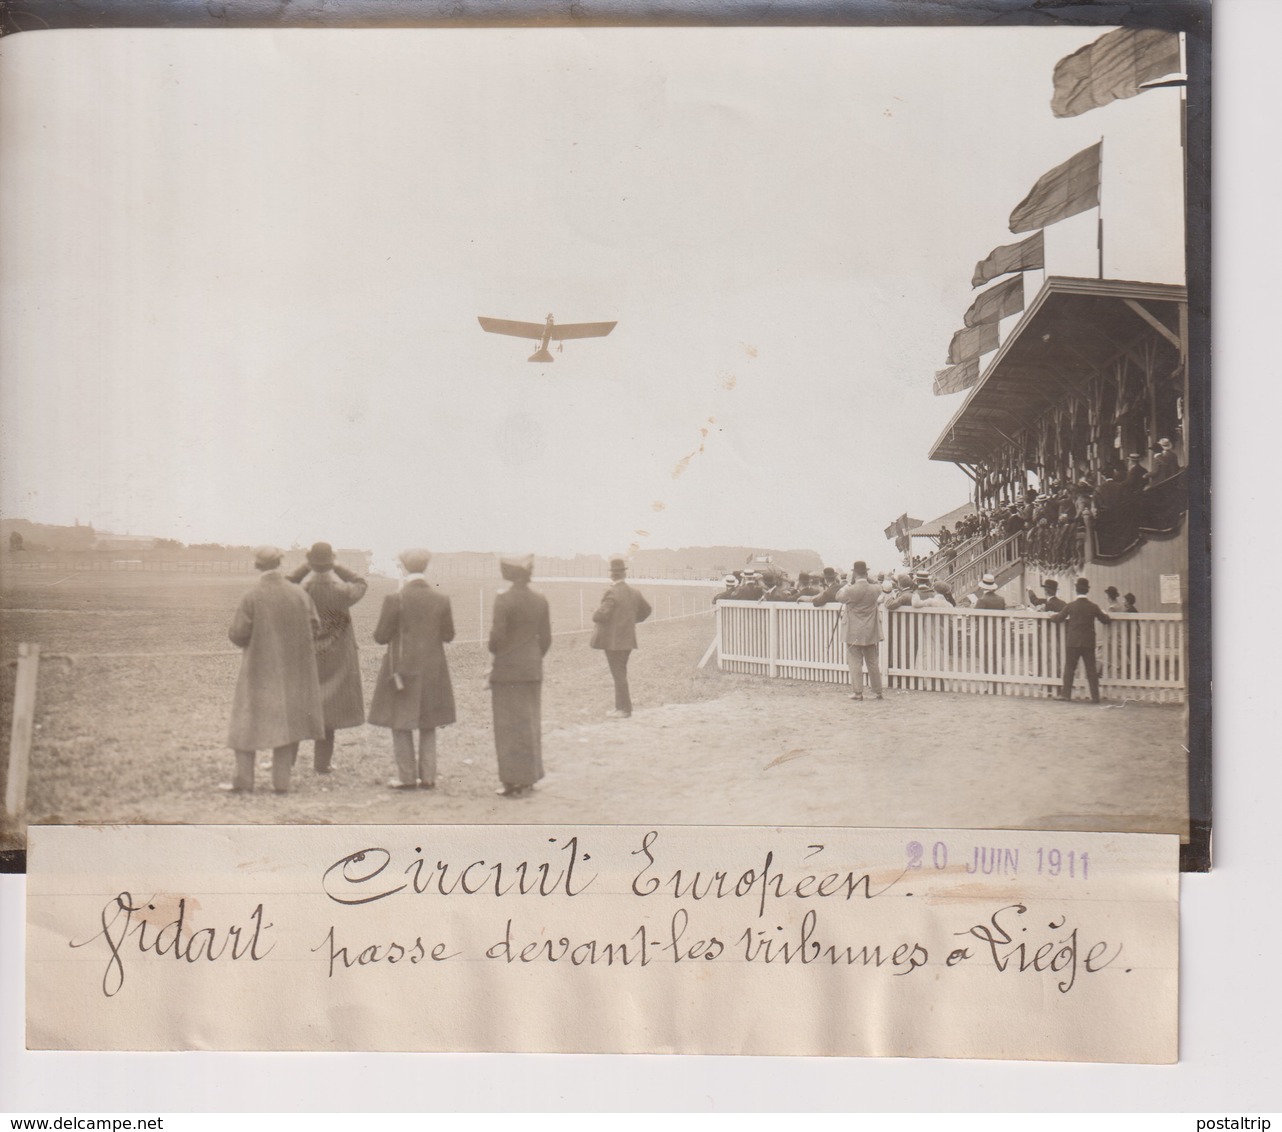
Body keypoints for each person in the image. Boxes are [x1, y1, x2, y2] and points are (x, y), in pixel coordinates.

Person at [224, 545, 324, 794]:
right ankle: (282, 783)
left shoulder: (252, 595)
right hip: (293, 671)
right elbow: (315, 627)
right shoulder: (300, 594)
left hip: (258, 670)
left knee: (246, 722)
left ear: (258, 566)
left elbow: (238, 634)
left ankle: (243, 781)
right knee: (287, 723)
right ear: (280, 563)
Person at [369, 548, 456, 791]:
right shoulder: (441, 599)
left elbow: (380, 636)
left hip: (402, 669)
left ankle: (406, 777)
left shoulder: (395, 599)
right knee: (429, 721)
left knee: (400, 722)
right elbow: (448, 636)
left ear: (404, 568)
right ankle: (428, 777)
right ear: (425, 567)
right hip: (433, 669)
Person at [287, 542, 368, 775]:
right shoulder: (341, 591)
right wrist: (337, 566)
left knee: (298, 707)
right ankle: (322, 764)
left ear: (310, 560)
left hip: (305, 652)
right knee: (330, 708)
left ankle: (288, 760)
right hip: (336, 654)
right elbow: (361, 582)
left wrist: (305, 567)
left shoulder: (301, 589)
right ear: (332, 559)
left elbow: (286, 582)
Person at [488, 554, 552, 799]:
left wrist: (500, 652)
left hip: (506, 671)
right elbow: (546, 639)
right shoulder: (540, 599)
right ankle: (531, 778)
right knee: (530, 722)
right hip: (532, 668)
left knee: (507, 727)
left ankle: (512, 782)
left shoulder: (503, 599)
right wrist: (532, 657)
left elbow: (496, 639)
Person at [590, 557, 653, 719]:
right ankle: (622, 708)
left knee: (618, 675)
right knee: (621, 673)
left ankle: (623, 709)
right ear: (624, 574)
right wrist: (632, 621)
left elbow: (601, 615)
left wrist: (595, 613)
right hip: (628, 640)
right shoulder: (634, 592)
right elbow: (647, 610)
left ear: (612, 575)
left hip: (613, 642)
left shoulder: (611, 592)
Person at [1051, 577, 1111, 703]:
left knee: (1069, 668)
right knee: (1091, 670)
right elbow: (1105, 620)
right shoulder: (1093, 606)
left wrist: (1051, 616)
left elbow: (1060, 618)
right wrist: (1106, 614)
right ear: (1087, 591)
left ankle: (1066, 694)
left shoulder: (1071, 606)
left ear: (1076, 590)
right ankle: (1095, 697)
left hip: (1073, 642)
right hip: (1088, 642)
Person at [832, 560, 884, 701]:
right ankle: (877, 691)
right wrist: (868, 578)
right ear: (866, 573)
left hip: (854, 630)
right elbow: (880, 586)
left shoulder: (850, 589)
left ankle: (858, 692)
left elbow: (838, 596)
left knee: (855, 661)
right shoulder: (875, 589)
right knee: (872, 661)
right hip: (870, 630)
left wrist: (850, 582)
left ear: (854, 573)